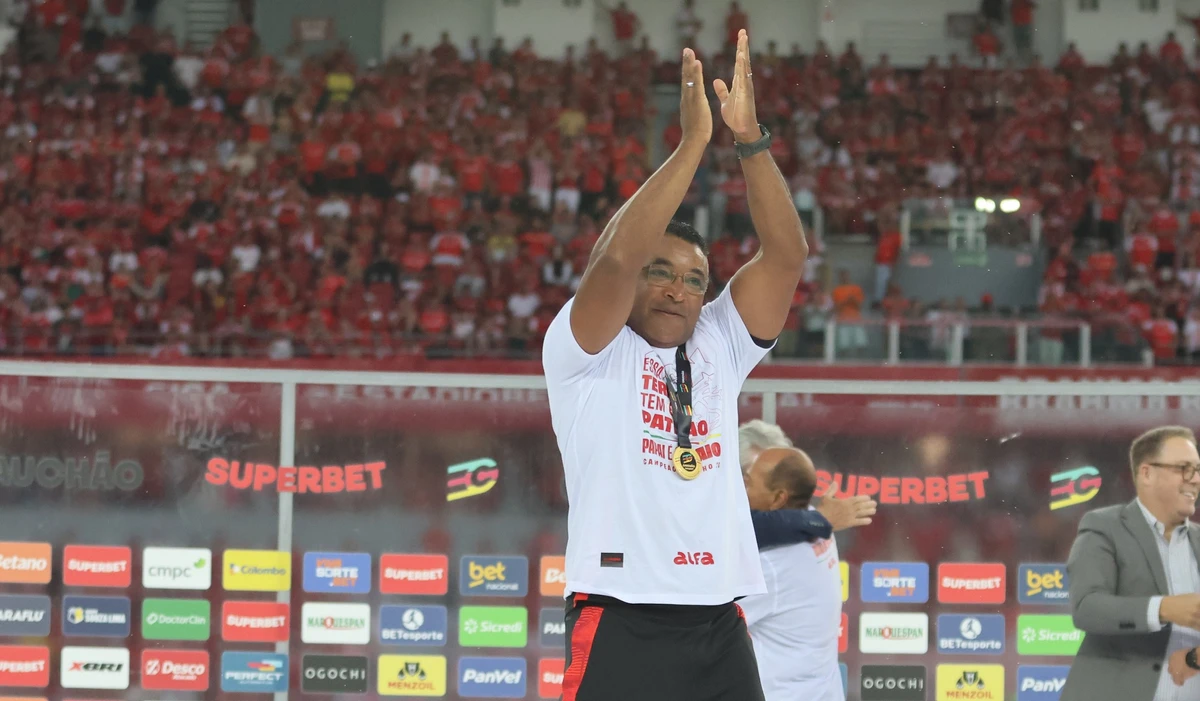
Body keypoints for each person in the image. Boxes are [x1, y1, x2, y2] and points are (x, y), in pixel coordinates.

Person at [544, 30, 807, 701]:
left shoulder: (719, 340)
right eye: (660, 273)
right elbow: (613, 261)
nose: (677, 289)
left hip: (719, 620)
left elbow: (785, 257)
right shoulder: (586, 347)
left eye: (694, 280)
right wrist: (692, 147)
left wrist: (748, 140)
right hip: (619, 615)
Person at [1062, 425, 1200, 701]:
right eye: (1183, 468)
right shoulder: (1104, 527)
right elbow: (1086, 607)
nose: (1195, 479)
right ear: (1146, 473)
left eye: (1197, 469)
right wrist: (1164, 608)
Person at [739, 446, 848, 701]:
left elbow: (710, 621)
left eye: (749, 483)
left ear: (778, 498)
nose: (740, 491)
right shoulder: (816, 523)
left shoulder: (770, 563)